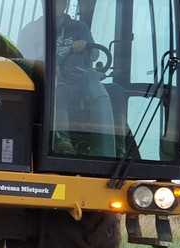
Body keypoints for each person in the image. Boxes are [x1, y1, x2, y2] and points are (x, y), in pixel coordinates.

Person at [51, 0, 116, 158]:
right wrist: (69, 49)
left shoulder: (79, 27)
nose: (58, 4)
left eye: (61, 2)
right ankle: (62, 139)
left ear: (66, 4)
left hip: (81, 79)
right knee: (60, 91)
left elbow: (95, 54)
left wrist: (86, 44)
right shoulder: (34, 30)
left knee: (116, 92)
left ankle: (117, 148)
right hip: (55, 82)